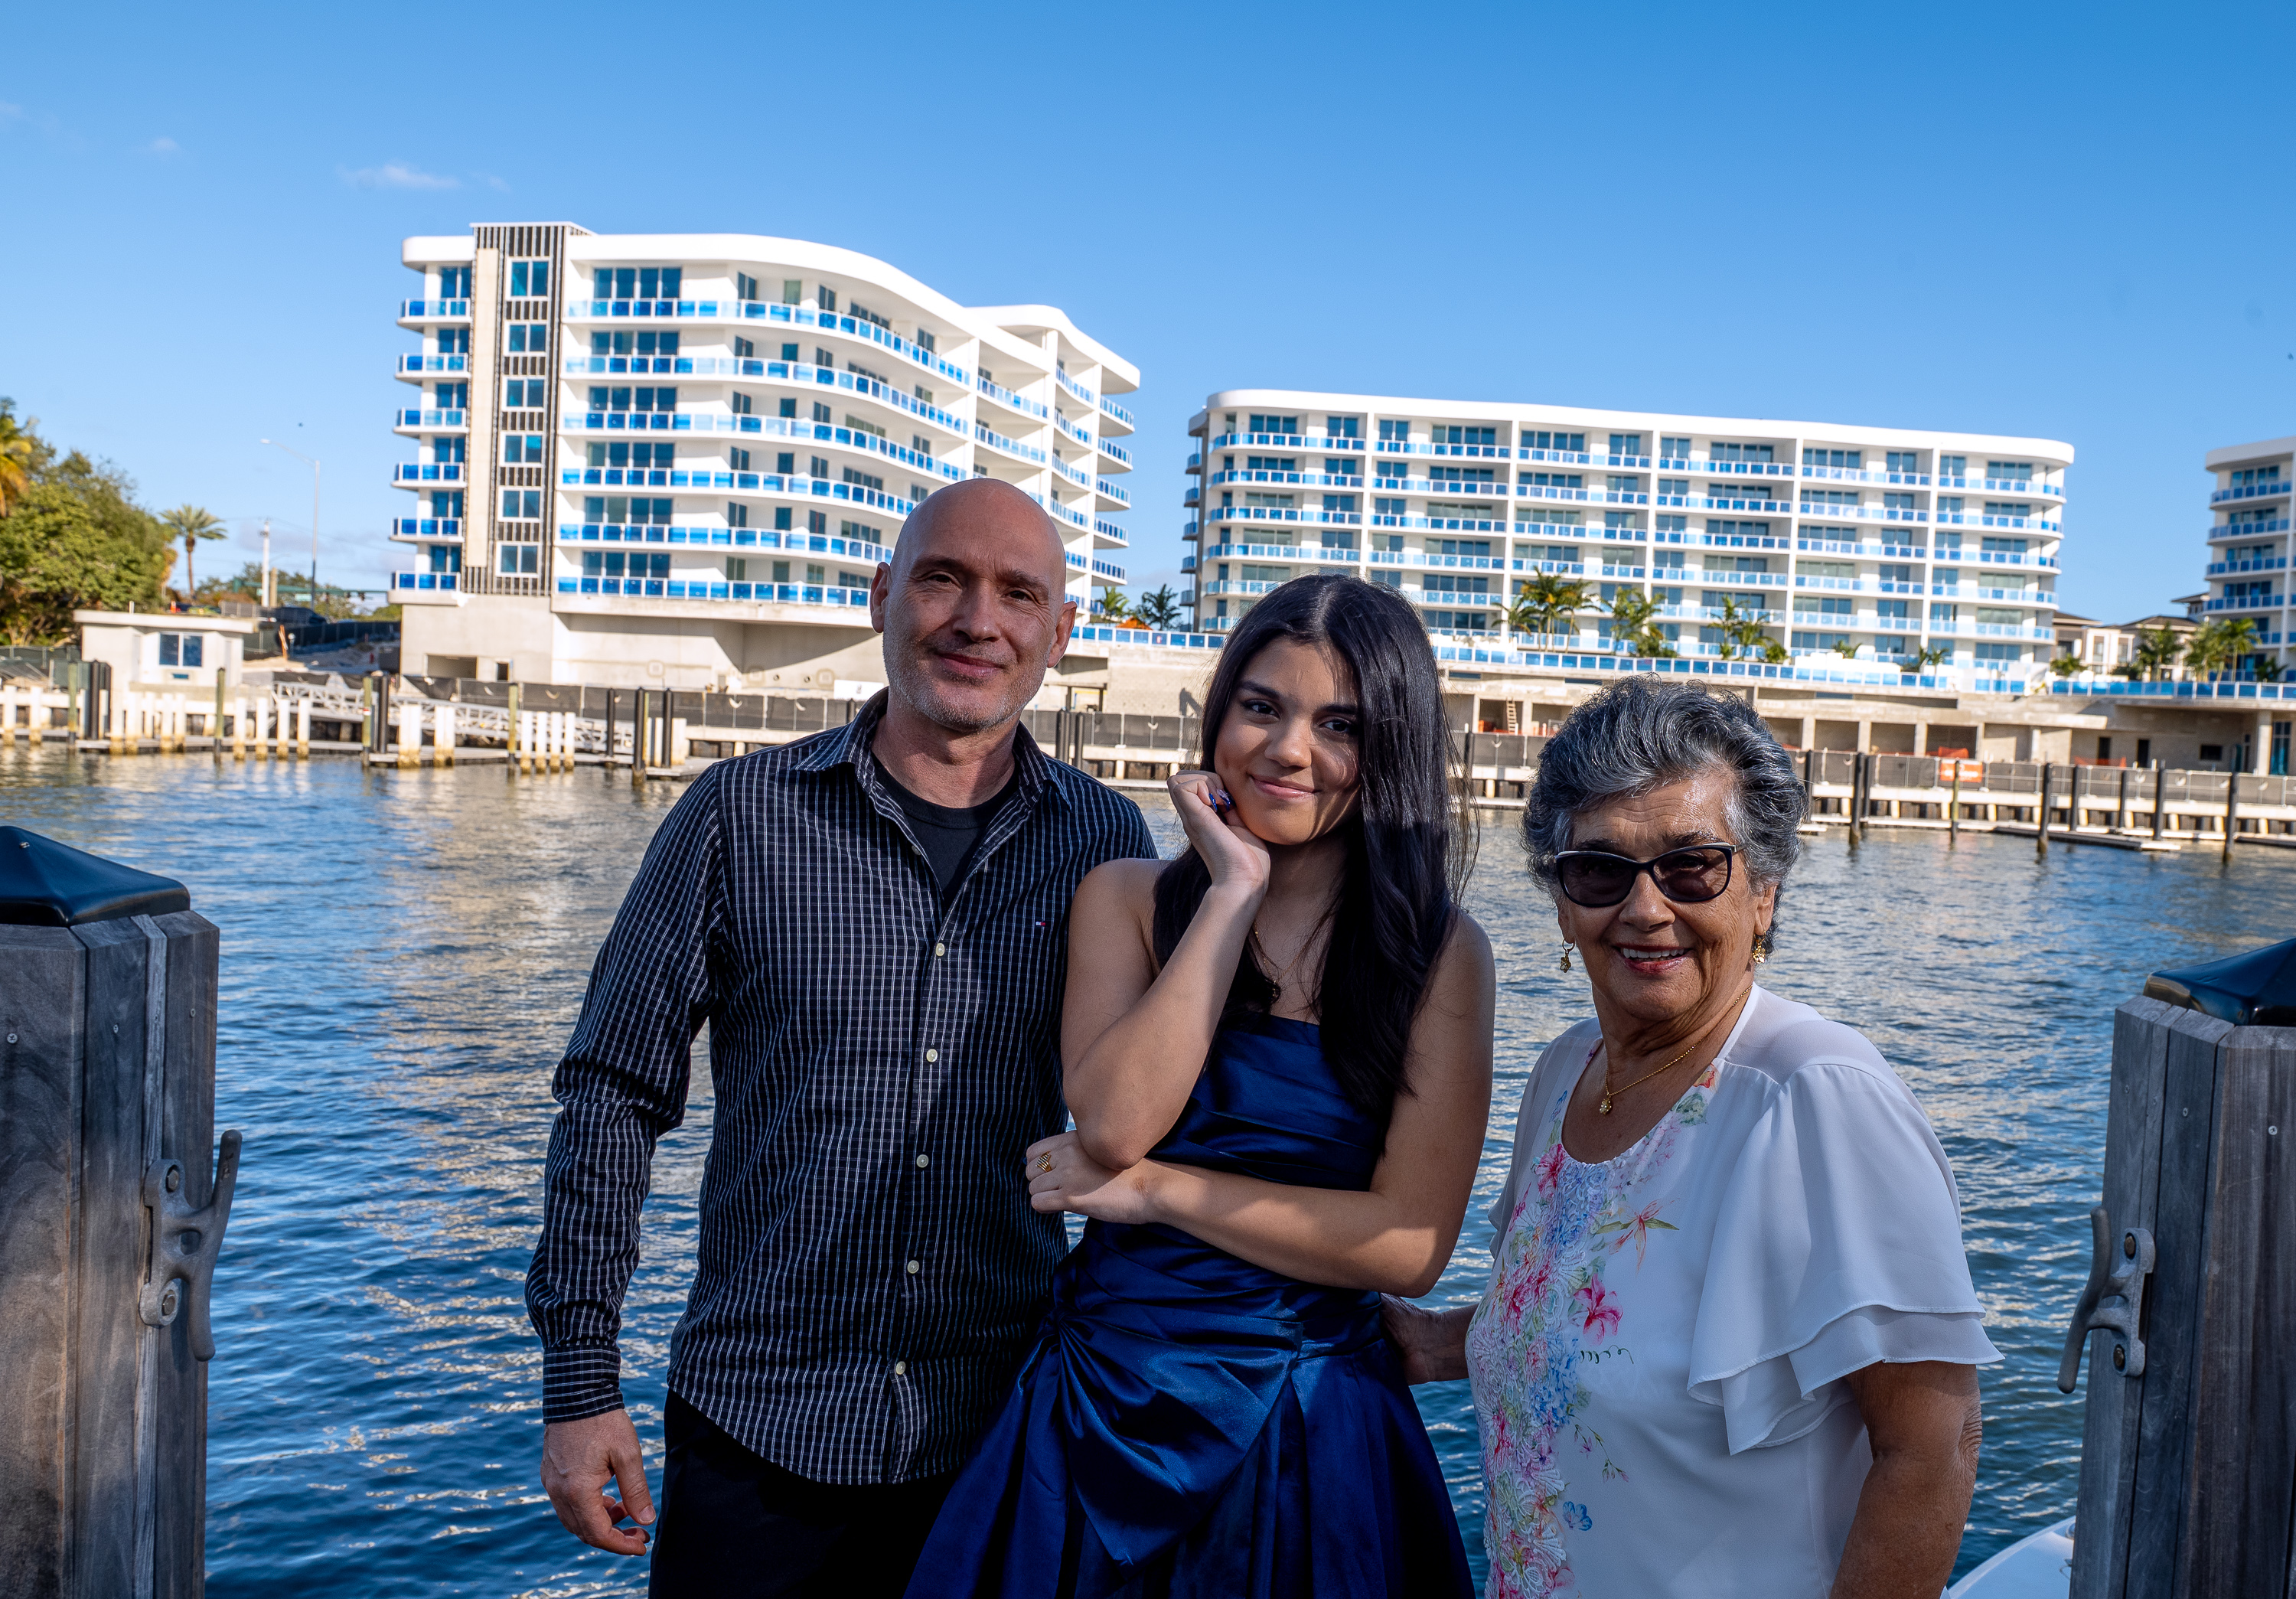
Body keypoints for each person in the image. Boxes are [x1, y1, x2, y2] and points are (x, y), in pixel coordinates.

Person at [525, 478, 1156, 1597]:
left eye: (1018, 594)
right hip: (760, 1428)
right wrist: (581, 1381)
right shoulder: (737, 815)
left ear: (1060, 634)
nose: (978, 620)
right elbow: (613, 1092)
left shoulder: (1104, 841)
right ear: (881, 596)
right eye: (943, 578)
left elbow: (1155, 1109)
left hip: (1003, 1430)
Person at [908, 573, 1492, 1598]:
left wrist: (1157, 1193)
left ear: (1390, 749)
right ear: (1219, 713)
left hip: (1310, 1417)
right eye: (1261, 706)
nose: (1288, 749)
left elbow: (1409, 1247)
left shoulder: (1438, 955)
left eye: (1340, 725)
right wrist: (1232, 892)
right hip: (1101, 1401)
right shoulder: (1126, 898)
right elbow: (1113, 1125)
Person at [1381, 676, 1997, 1597]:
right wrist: (1442, 1345)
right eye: (1599, 870)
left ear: (1763, 893)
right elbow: (1612, 1320)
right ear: (1562, 902)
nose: (1644, 908)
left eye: (1691, 866)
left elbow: (1933, 1445)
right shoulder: (1564, 1073)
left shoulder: (1815, 1095)